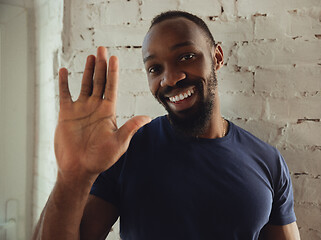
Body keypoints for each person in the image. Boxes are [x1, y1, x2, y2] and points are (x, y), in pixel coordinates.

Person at [32, 11, 301, 240]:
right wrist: (72, 176)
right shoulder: (128, 150)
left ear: (217, 57)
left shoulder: (269, 161)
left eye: (186, 57)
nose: (170, 78)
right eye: (155, 68)